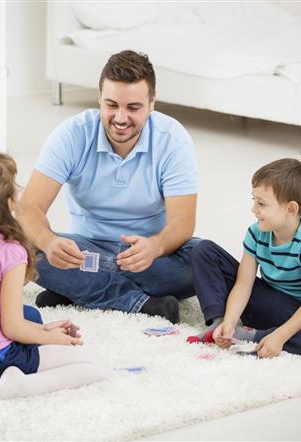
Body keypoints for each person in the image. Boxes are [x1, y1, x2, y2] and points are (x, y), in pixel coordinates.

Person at [18, 50, 199, 324]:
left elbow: (183, 222)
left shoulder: (173, 139)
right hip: (85, 250)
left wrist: (156, 245)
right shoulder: (72, 134)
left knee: (202, 259)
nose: (121, 117)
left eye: (133, 108)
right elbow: (29, 207)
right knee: (20, 246)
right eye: (111, 105)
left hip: (150, 257)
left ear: (152, 103)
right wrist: (48, 242)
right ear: (99, 99)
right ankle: (140, 303)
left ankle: (79, 289)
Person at [0, 151, 109, 399]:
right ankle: (19, 387)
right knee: (93, 366)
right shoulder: (10, 251)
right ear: (8, 202)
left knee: (33, 323)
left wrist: (44, 332)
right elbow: (13, 327)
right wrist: (54, 341)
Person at [188, 159, 301, 358]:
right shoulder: (256, 232)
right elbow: (244, 285)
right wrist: (229, 320)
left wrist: (279, 337)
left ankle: (255, 336)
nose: (253, 209)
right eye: (253, 200)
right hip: (267, 301)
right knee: (204, 250)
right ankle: (220, 326)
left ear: (291, 209)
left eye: (261, 203)